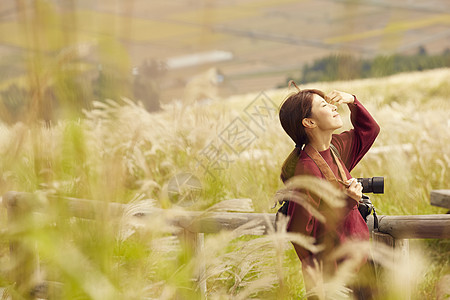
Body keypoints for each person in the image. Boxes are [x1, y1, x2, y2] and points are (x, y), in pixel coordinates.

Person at [278, 82, 380, 299]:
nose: (334, 107)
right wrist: (348, 202)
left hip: (360, 263)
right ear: (309, 122)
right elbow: (301, 233)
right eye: (324, 105)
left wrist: (352, 100)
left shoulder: (335, 149)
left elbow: (369, 130)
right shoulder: (306, 169)